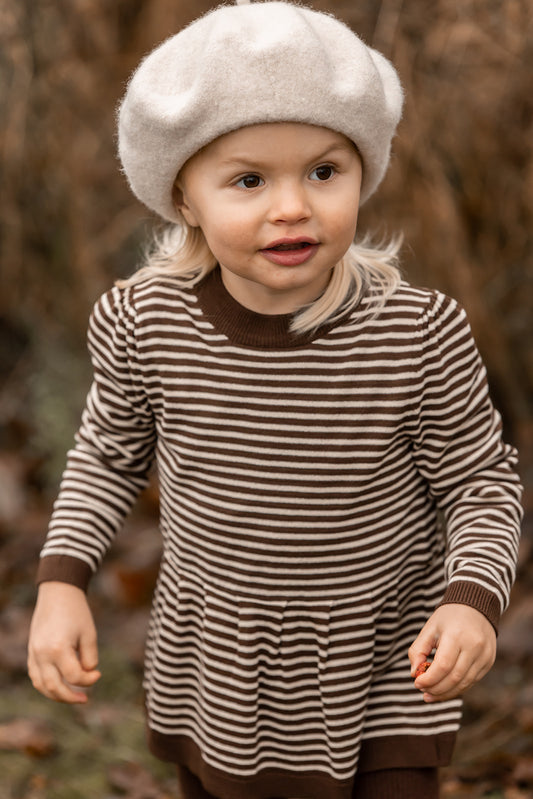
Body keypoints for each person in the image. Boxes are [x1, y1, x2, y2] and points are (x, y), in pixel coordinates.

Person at [27, 2, 523, 798]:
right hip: (221, 668)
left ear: (364, 171)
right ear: (183, 197)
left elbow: (478, 482)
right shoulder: (144, 322)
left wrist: (469, 599)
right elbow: (107, 457)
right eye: (249, 179)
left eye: (324, 171)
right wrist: (60, 583)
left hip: (383, 665)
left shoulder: (415, 333)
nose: (291, 205)